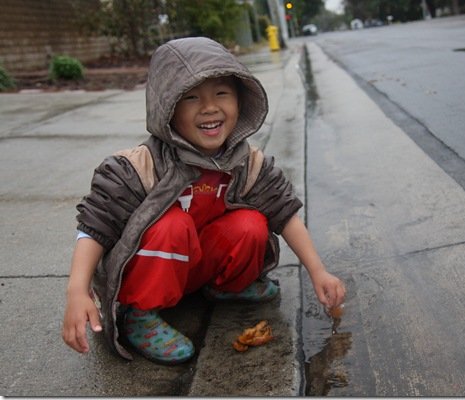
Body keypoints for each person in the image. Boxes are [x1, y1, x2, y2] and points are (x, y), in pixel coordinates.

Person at [61, 37, 346, 365]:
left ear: (239, 101)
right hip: (152, 274)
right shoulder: (138, 168)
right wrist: (77, 289)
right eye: (192, 97)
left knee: (251, 224)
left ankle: (225, 287)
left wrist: (318, 272)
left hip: (196, 267)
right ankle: (140, 317)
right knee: (172, 224)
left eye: (221, 93)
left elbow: (285, 212)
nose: (209, 107)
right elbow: (95, 225)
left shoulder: (247, 163)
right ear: (167, 108)